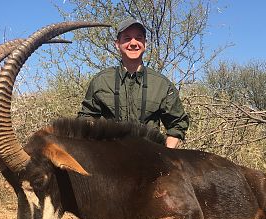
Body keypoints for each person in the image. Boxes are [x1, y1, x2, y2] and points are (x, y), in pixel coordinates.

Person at [78, 17, 189, 148]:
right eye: (127, 38)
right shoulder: (101, 80)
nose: (133, 43)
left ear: (145, 44)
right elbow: (86, 118)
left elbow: (177, 123)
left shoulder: (161, 84)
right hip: (110, 158)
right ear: (117, 44)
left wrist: (165, 155)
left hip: (151, 159)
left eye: (139, 38)